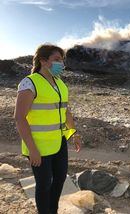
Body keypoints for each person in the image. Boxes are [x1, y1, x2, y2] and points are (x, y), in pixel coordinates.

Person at [14, 44, 81, 214]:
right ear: (43, 61)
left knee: (59, 180)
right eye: (57, 60)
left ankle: (53, 210)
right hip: (39, 146)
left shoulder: (59, 84)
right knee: (44, 185)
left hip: (59, 142)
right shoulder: (30, 83)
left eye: (62, 60)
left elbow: (65, 111)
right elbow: (19, 118)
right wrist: (32, 150)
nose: (62, 64)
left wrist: (73, 132)